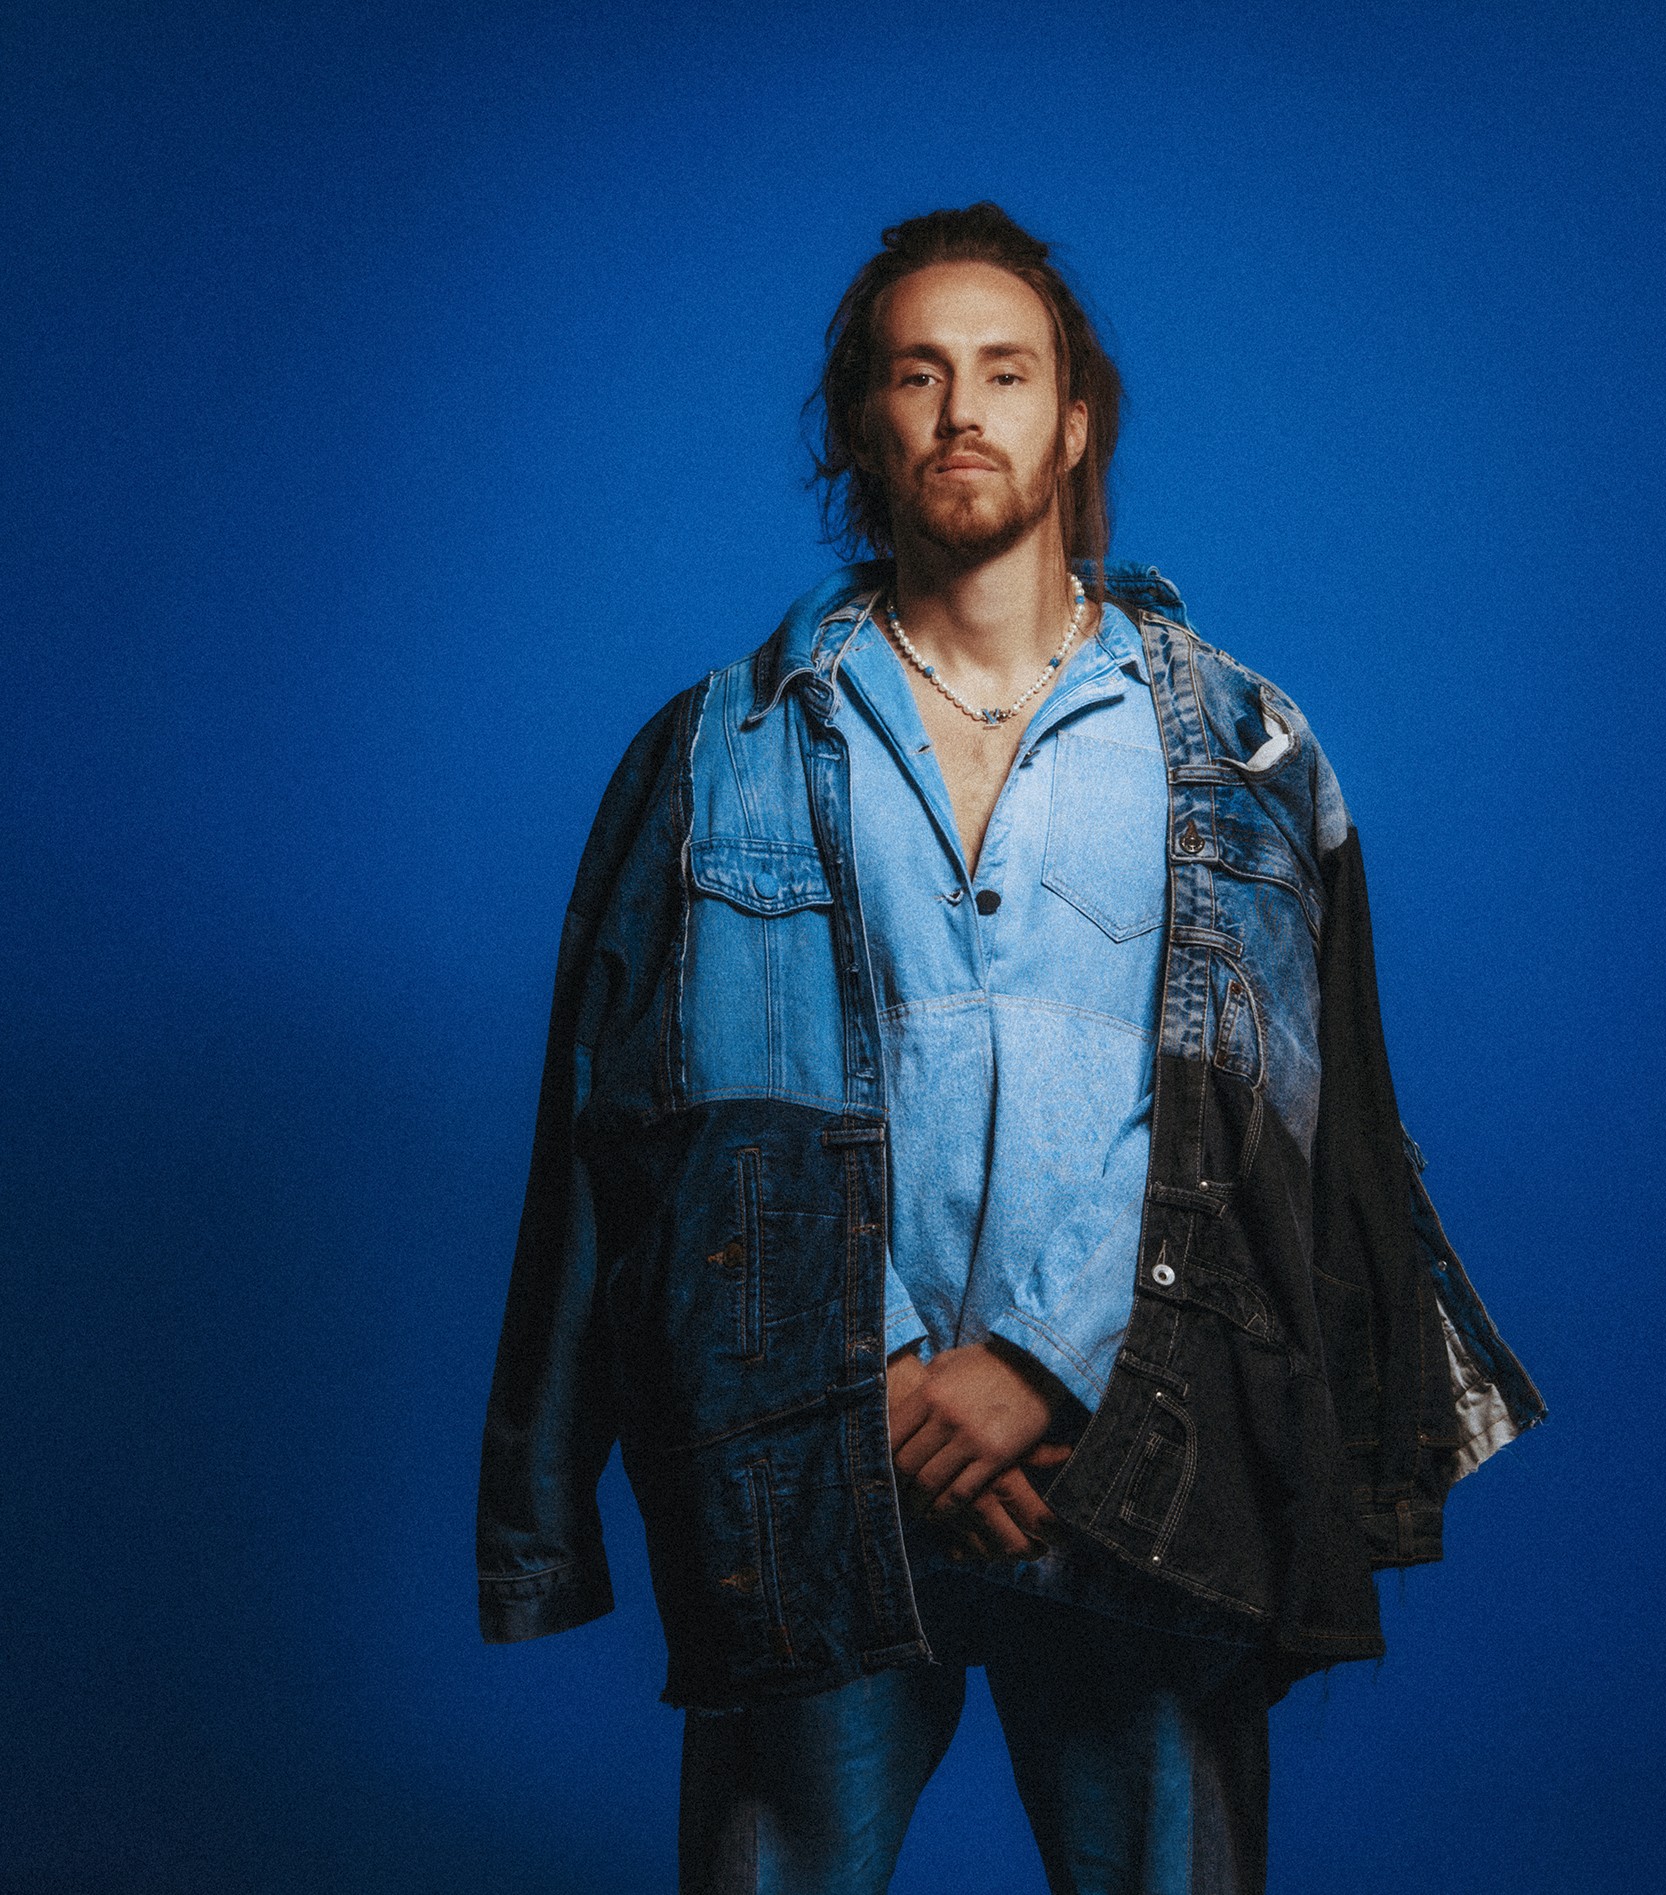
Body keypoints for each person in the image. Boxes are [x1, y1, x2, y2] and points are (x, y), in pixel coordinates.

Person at [476, 202, 1546, 1895]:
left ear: (1074, 423)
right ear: (863, 426)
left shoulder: (1245, 750)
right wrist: (883, 1376)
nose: (962, 409)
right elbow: (637, 1133)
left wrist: (1042, 1363)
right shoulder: (717, 750)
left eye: (1005, 370)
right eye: (918, 373)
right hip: (819, 1462)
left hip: (1148, 1465)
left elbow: (1284, 1124)